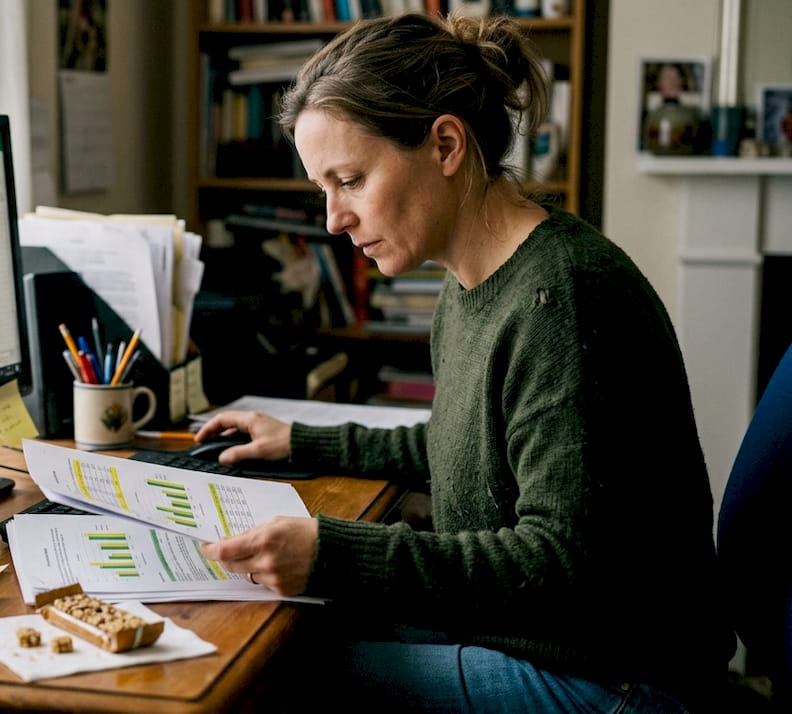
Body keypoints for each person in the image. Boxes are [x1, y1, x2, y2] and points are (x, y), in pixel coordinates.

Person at [196, 13, 736, 713]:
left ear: (445, 144)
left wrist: (333, 552)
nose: (333, 219)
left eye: (351, 179)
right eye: (323, 188)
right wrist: (302, 440)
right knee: (303, 630)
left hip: (619, 679)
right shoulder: (473, 280)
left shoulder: (561, 297)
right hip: (553, 642)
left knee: (277, 675)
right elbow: (468, 445)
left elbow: (559, 561)